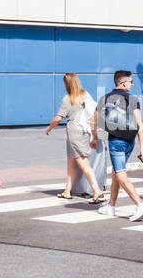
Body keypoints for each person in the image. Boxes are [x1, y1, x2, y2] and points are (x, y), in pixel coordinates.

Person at [94, 69, 143, 221]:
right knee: (116, 173)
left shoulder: (105, 98)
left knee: (120, 174)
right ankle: (111, 206)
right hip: (130, 142)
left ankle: (140, 204)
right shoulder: (132, 99)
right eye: (131, 81)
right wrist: (142, 147)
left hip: (116, 141)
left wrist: (94, 136)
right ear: (123, 83)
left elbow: (95, 119)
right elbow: (140, 125)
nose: (132, 84)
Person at [44, 72, 105, 203]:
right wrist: (94, 136)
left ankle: (97, 190)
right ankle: (67, 191)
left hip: (74, 132)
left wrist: (49, 128)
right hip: (84, 130)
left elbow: (57, 118)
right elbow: (93, 115)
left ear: (66, 84)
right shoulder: (85, 95)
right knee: (72, 162)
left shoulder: (68, 99)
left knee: (83, 162)